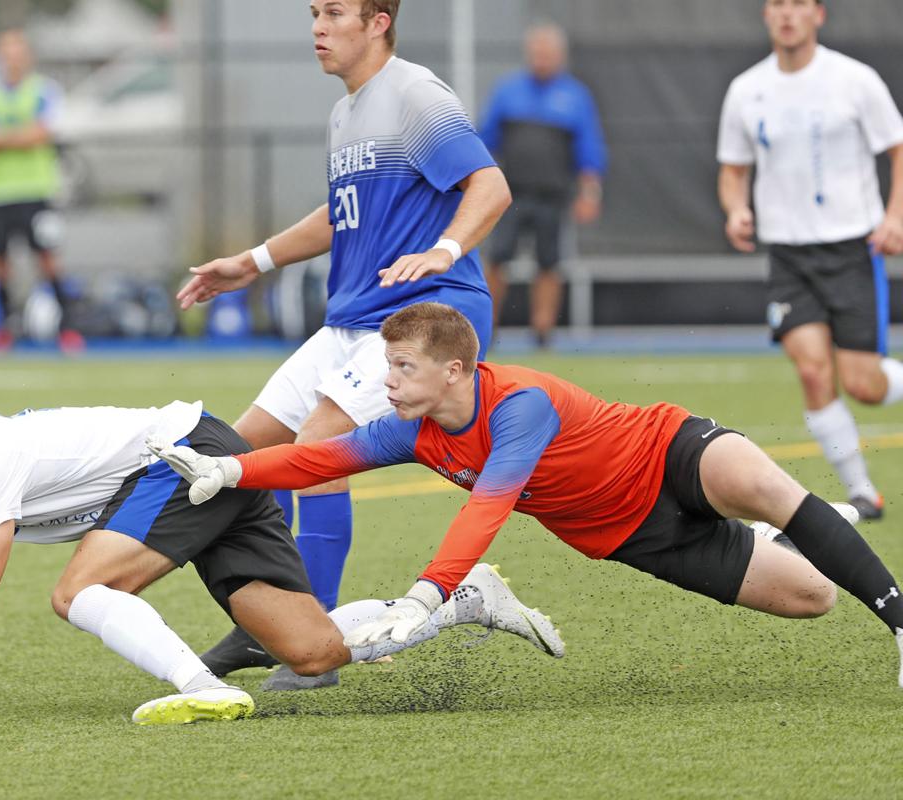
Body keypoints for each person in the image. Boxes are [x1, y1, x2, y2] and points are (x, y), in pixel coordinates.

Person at [0, 362, 561, 725]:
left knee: (76, 591)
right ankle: (466, 600)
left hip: (190, 458)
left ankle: (204, 689)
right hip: (204, 470)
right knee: (311, 651)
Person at [150, 302, 903, 688]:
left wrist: (425, 594)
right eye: (389, 367)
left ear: (454, 372)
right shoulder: (413, 429)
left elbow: (489, 506)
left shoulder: (520, 407)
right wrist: (235, 471)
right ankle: (789, 542)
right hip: (637, 536)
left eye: (403, 368)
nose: (388, 383)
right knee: (813, 597)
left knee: (761, 484)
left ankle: (899, 621)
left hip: (667, 453)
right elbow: (320, 458)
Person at [177, 0, 511, 685]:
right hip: (351, 322)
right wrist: (254, 261)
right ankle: (262, 621)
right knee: (236, 456)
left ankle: (309, 640)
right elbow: (344, 213)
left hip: (421, 315)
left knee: (316, 446)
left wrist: (446, 250)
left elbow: (491, 185)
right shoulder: (345, 111)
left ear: (380, 20)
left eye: (333, 13)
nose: (317, 28)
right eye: (314, 14)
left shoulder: (415, 94)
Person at [717, 0, 903, 521]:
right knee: (814, 371)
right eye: (777, 4)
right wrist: (736, 209)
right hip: (787, 256)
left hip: (851, 249)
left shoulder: (855, 80)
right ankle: (863, 493)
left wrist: (895, 215)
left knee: (864, 384)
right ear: (766, 15)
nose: (787, 14)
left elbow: (897, 147)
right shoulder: (746, 90)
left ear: (818, 15)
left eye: (799, 4)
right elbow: (733, 170)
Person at [477, 22, 607, 349]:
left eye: (548, 54)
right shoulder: (507, 91)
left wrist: (589, 193)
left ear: (560, 56)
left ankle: (543, 331)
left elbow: (589, 151)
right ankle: (485, 328)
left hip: (553, 196)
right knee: (497, 260)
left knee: (549, 264)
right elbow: (484, 140)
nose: (542, 59)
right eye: (537, 53)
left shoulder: (575, 96)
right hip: (509, 196)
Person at [0, 29, 82, 354]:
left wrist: (4, 138)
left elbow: (42, 134)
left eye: (18, 53)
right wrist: (21, 135)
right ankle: (4, 329)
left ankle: (68, 328)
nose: (13, 60)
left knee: (47, 260)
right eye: (7, 54)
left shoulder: (44, 91)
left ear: (27, 57)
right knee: (0, 263)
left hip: (36, 189)